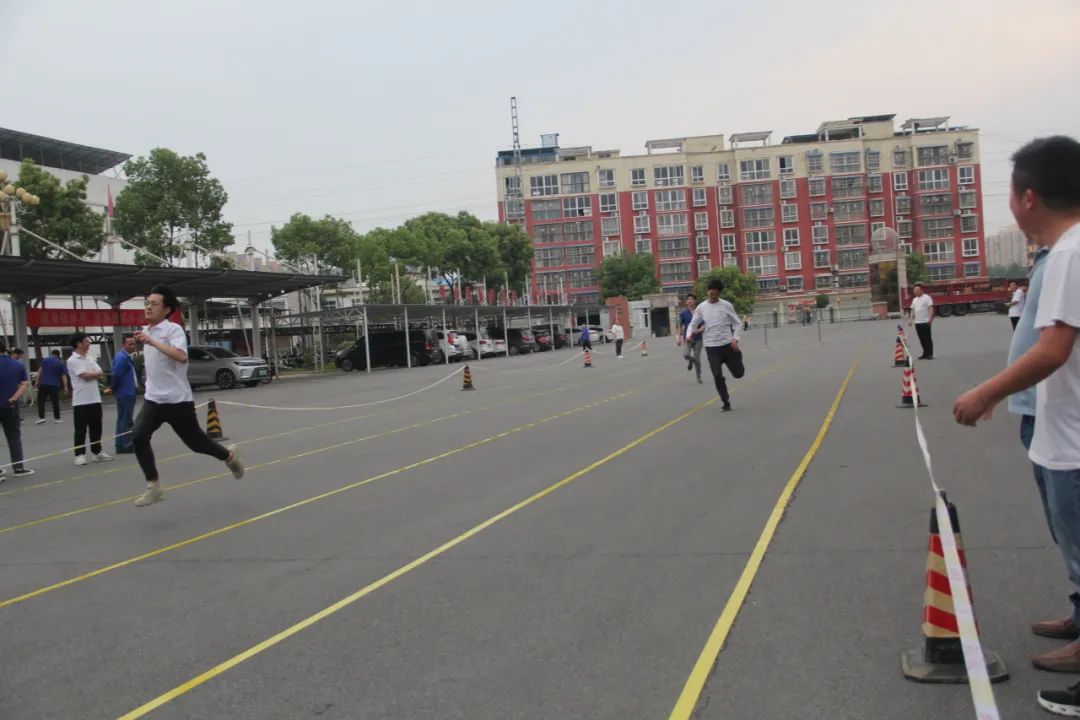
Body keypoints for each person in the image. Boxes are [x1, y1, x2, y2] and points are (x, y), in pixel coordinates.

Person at [949, 136, 1080, 714]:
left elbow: (1052, 350)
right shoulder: (1065, 252)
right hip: (1060, 432)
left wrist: (986, 392)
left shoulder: (1071, 254)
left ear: (1028, 197)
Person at [131, 285, 243, 508]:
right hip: (154, 399)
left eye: (154, 304)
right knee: (138, 436)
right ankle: (154, 486)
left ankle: (228, 456)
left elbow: (182, 357)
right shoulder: (145, 331)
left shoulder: (173, 330)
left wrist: (152, 342)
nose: (148, 307)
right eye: (147, 303)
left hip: (177, 400)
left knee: (197, 443)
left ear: (166, 309)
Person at [689, 278, 744, 411]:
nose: (713, 296)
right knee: (717, 375)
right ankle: (725, 402)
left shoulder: (726, 305)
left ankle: (737, 354)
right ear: (708, 291)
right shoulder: (701, 307)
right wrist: (688, 334)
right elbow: (693, 323)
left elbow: (738, 323)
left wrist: (735, 339)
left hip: (728, 345)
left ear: (719, 293)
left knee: (738, 374)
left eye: (716, 294)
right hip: (712, 347)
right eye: (711, 294)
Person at [67, 332, 112, 466]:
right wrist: (95, 374)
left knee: (96, 427)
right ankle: (79, 455)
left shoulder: (89, 358)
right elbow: (85, 376)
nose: (89, 343)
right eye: (86, 341)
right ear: (78, 344)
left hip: (95, 398)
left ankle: (97, 452)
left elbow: (100, 372)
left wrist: (94, 374)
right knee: (80, 429)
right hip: (81, 400)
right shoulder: (72, 360)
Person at [0, 341, 34, 481]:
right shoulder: (17, 365)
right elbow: (24, 384)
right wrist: (14, 398)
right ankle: (18, 468)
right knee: (14, 437)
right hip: (10, 405)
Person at [110, 334, 138, 454]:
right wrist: (113, 387)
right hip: (125, 393)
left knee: (123, 419)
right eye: (129, 344)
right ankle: (125, 444)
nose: (132, 346)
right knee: (126, 420)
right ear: (124, 345)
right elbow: (116, 375)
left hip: (127, 392)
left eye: (134, 344)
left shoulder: (126, 357)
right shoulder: (122, 358)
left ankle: (121, 444)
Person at [35, 349, 68, 424]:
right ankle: (57, 418)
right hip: (54, 385)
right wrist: (65, 387)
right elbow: (64, 376)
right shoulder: (60, 363)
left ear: (52, 354)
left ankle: (41, 418)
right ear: (58, 355)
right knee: (55, 402)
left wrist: (36, 382)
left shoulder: (45, 360)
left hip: (43, 384)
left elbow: (39, 371)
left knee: (41, 401)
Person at [679, 294, 703, 383]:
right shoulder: (683, 313)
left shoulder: (699, 312)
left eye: (692, 299)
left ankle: (698, 376)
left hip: (698, 339)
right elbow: (680, 325)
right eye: (688, 299)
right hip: (687, 338)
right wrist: (679, 337)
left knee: (697, 359)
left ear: (695, 301)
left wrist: (699, 330)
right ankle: (691, 360)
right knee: (686, 355)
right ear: (686, 302)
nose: (690, 300)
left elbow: (704, 325)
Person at [908, 283, 935, 359]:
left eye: (916, 290)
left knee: (927, 338)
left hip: (925, 322)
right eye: (914, 290)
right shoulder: (915, 300)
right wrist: (910, 319)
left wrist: (930, 318)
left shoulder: (927, 298)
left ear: (921, 290)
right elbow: (912, 310)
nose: (915, 292)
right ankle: (925, 353)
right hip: (917, 322)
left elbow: (931, 308)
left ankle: (930, 354)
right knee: (921, 338)